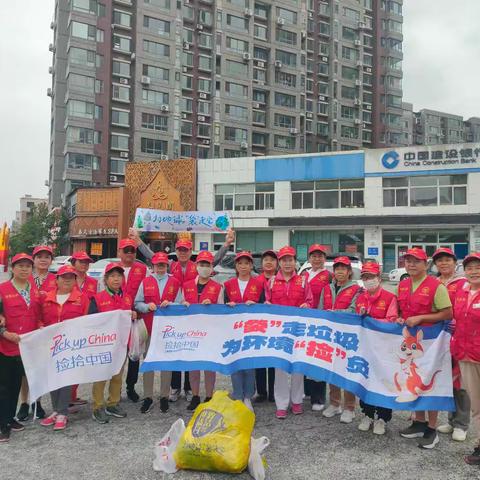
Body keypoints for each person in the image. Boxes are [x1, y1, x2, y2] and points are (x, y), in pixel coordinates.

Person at [129, 227, 235, 402]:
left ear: (190, 251)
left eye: (186, 250)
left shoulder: (199, 265)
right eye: (180, 250)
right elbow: (151, 256)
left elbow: (214, 260)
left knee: (192, 352)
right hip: (176, 316)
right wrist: (138, 241)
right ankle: (176, 387)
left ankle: (189, 389)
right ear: (176, 252)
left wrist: (226, 243)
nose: (183, 253)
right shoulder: (171, 265)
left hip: (196, 315)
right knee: (177, 351)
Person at [397, 247, 452, 449]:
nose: (411, 264)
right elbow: (401, 310)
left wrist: (422, 317)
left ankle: (431, 428)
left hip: (432, 343)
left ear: (426, 264)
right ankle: (418, 422)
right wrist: (400, 317)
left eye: (415, 261)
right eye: (407, 261)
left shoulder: (436, 286)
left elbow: (447, 314)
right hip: (412, 343)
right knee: (413, 380)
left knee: (430, 382)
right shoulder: (402, 285)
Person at [38, 266, 89, 431]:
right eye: (64, 277)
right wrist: (40, 327)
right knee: (52, 378)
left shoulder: (83, 298)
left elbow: (87, 322)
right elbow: (39, 319)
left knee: (66, 379)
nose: (67, 280)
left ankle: (62, 413)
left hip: (70, 346)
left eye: (71, 277)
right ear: (56, 280)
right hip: (50, 345)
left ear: (75, 280)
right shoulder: (45, 298)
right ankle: (55, 410)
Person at [265, 246, 312, 419]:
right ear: (279, 262)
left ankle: (297, 401)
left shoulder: (303, 280)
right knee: (280, 369)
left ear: (294, 262)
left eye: (290, 260)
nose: (287, 263)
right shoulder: (270, 282)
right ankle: (281, 404)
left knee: (298, 366)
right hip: (278, 332)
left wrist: (306, 305)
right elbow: (267, 303)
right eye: (283, 260)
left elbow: (309, 301)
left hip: (298, 331)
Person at [0, 254, 41, 443]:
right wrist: (4, 332)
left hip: (27, 347)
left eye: (27, 266)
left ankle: (10, 418)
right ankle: (3, 426)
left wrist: (40, 325)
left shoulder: (35, 291)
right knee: (5, 387)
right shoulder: (2, 290)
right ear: (12, 268)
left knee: (17, 385)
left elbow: (38, 314)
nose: (24, 269)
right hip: (7, 346)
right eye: (20, 266)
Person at [89, 263, 136, 424]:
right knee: (101, 375)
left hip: (121, 344)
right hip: (103, 345)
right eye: (112, 276)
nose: (116, 279)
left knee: (117, 375)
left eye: (119, 276)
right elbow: (92, 321)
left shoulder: (128, 297)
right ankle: (97, 406)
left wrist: (134, 314)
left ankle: (113, 403)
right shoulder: (97, 298)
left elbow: (132, 314)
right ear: (106, 279)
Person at [134, 252, 181, 414]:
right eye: (157, 265)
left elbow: (181, 304)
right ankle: (148, 397)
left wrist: (172, 304)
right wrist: (147, 307)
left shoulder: (174, 282)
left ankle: (164, 396)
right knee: (148, 361)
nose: (160, 268)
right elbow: (137, 303)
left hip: (168, 330)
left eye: (163, 265)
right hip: (149, 327)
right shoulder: (145, 281)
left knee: (166, 362)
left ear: (166, 266)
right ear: (152, 266)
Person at [355, 262, 398, 435]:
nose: (368, 280)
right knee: (365, 380)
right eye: (365, 278)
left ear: (379, 278)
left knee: (383, 382)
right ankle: (367, 414)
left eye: (371, 277)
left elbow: (393, 320)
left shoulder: (389, 297)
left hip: (384, 349)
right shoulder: (360, 297)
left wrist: (372, 320)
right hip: (365, 348)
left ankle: (382, 418)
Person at [432, 248, 470, 442]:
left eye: (447, 260)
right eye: (439, 261)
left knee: (461, 381)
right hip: (438, 339)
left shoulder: (465, 283)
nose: (443, 263)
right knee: (446, 379)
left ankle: (462, 424)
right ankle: (451, 419)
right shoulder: (434, 283)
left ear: (455, 262)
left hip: (460, 337)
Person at [319, 256, 361, 424]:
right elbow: (321, 309)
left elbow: (353, 310)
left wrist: (335, 312)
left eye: (343, 269)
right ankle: (334, 403)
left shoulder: (357, 289)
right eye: (337, 269)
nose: (340, 272)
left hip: (347, 335)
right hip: (330, 336)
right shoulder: (327, 288)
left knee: (347, 370)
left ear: (349, 271)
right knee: (332, 369)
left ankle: (349, 407)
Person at [17, 245, 56, 422]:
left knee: (41, 368)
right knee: (25, 369)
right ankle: (24, 402)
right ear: (33, 259)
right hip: (27, 329)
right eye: (39, 256)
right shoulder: (24, 278)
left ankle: (37, 402)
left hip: (47, 329)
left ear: (51, 260)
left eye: (47, 256)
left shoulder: (56, 279)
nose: (43, 259)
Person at [181, 251, 223, 411]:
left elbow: (221, 310)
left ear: (212, 268)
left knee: (209, 365)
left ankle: (209, 395)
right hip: (191, 331)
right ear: (196, 266)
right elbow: (180, 304)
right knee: (193, 365)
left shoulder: (217, 287)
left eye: (207, 265)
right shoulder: (186, 286)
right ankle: (196, 395)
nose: (204, 268)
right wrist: (183, 303)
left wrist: (212, 306)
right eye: (201, 264)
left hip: (210, 331)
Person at [224, 251, 265, 411]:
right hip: (233, 330)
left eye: (246, 263)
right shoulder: (228, 285)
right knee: (235, 365)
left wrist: (255, 306)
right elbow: (223, 306)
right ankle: (238, 395)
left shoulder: (259, 284)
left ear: (251, 265)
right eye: (240, 263)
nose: (243, 266)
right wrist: (228, 306)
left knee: (249, 365)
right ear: (236, 266)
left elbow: (263, 306)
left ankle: (248, 396)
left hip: (251, 330)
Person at [451, 252, 480, 464]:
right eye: (469, 268)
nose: (473, 271)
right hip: (465, 354)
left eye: (478, 267)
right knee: (477, 405)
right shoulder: (461, 291)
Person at [116, 238, 147, 403]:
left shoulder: (142, 269)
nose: (129, 254)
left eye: (132, 251)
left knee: (134, 355)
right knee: (117, 355)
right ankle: (116, 389)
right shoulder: (113, 269)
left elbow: (148, 290)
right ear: (119, 252)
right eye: (125, 250)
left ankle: (130, 387)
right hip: (117, 320)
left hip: (136, 318)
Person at [303, 244, 331, 412]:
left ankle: (319, 397)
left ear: (324, 258)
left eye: (320, 256)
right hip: (305, 321)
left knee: (319, 358)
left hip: (321, 322)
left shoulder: (329, 275)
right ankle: (307, 391)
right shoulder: (304, 275)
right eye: (314, 256)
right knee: (305, 357)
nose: (317, 259)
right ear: (309, 258)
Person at [70, 251, 98, 407]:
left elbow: (97, 302)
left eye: (87, 262)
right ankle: (66, 398)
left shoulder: (93, 282)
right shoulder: (66, 279)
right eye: (81, 262)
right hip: (69, 326)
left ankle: (73, 395)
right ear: (73, 263)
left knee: (79, 362)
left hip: (86, 327)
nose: (84, 265)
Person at [254, 250, 278, 403]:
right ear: (261, 264)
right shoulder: (255, 281)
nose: (269, 262)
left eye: (272, 260)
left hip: (276, 325)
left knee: (273, 360)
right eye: (266, 259)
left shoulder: (281, 280)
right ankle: (261, 392)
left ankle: (273, 393)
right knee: (259, 359)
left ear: (277, 263)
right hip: (258, 325)